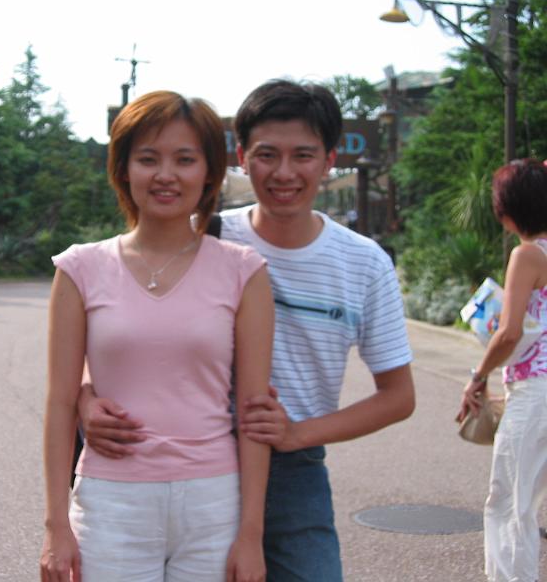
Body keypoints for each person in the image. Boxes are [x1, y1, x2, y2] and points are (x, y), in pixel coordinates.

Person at [79, 79, 416, 582]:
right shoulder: (204, 233)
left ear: (329, 160)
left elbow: (398, 396)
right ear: (241, 157)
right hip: (191, 454)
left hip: (290, 470)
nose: (284, 172)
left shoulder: (364, 264)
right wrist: (86, 396)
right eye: (266, 155)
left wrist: (298, 433)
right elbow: (124, 325)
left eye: (303, 155)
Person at [40, 90, 274, 582]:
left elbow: (254, 412)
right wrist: (56, 526)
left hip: (213, 504)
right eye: (148, 159)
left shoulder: (243, 271)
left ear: (208, 172)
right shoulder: (80, 268)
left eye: (185, 159)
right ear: (123, 169)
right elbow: (60, 403)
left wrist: (251, 534)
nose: (166, 174)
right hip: (111, 503)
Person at [457, 159, 547, 582]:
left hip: (536, 394)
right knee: (525, 501)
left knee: (510, 504)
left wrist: (478, 376)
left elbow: (509, 332)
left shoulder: (527, 255)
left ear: (508, 213)